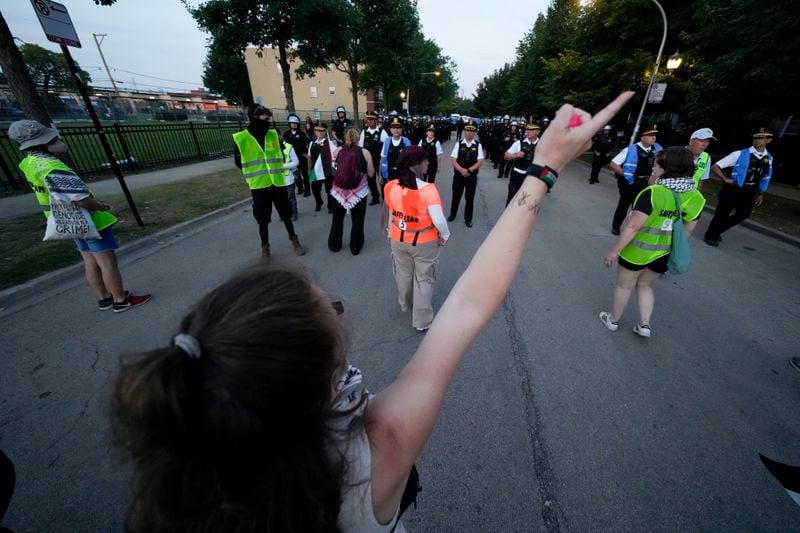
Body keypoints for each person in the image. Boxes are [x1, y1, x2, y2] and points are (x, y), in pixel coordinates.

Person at [110, 92, 633, 533]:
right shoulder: (368, 461)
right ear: (322, 376)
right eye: (333, 312)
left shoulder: (177, 482)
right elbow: (469, 302)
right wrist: (544, 171)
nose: (339, 310)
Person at [8, 120, 151, 312]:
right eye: (52, 138)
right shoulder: (52, 166)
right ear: (43, 143)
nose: (58, 139)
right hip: (88, 221)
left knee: (89, 260)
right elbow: (81, 200)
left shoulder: (28, 163)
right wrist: (102, 207)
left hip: (67, 221)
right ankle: (120, 299)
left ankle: (104, 298)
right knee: (107, 262)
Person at [600, 147, 706, 338]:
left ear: (667, 168)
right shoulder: (696, 197)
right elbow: (688, 230)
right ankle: (644, 325)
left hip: (637, 251)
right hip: (663, 254)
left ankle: (613, 320)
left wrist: (614, 251)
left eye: (657, 164)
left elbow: (633, 227)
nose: (653, 167)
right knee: (645, 285)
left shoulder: (653, 193)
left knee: (625, 286)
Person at [384, 146, 450, 332]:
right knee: (424, 280)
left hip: (398, 239)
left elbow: (391, 212)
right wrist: (444, 235)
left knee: (403, 274)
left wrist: (390, 231)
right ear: (416, 165)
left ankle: (405, 303)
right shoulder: (429, 190)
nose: (428, 163)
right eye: (425, 161)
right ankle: (421, 322)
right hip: (424, 243)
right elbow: (438, 220)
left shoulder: (391, 186)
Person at [233, 104, 305, 257]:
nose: (268, 122)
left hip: (278, 183)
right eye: (265, 119)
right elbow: (239, 163)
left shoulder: (273, 134)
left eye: (269, 119)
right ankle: (265, 248)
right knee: (262, 220)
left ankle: (294, 240)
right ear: (254, 118)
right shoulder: (241, 139)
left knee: (286, 215)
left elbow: (280, 153)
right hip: (259, 186)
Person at [703, 128, 774, 247]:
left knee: (743, 214)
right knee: (722, 213)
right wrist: (725, 179)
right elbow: (716, 166)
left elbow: (765, 176)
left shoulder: (769, 158)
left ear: (768, 140)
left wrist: (761, 193)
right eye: (755, 137)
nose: (756, 140)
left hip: (750, 191)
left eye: (761, 138)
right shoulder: (740, 154)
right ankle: (711, 235)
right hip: (733, 189)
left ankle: (717, 230)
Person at [609, 127, 663, 235]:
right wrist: (626, 174)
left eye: (654, 136)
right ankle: (616, 226)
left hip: (647, 182)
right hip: (631, 182)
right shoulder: (631, 149)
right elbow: (614, 164)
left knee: (640, 208)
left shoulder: (657, 149)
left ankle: (633, 229)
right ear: (642, 137)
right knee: (624, 205)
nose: (653, 138)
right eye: (650, 135)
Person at [329, 128, 375, 255]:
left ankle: (334, 245)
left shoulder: (337, 150)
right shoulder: (365, 152)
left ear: (345, 138)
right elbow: (371, 173)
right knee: (357, 221)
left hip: (338, 191)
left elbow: (333, 171)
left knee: (337, 219)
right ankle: (355, 247)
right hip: (358, 192)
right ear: (358, 138)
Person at [447, 119, 484, 228]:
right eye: (467, 130)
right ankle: (452, 214)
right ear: (464, 131)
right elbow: (453, 159)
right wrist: (461, 170)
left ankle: (468, 219)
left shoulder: (478, 145)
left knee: (470, 198)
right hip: (458, 175)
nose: (469, 133)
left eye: (472, 131)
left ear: (475, 132)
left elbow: (480, 161)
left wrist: (468, 170)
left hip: (471, 177)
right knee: (456, 196)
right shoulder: (459, 144)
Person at [504, 122, 541, 206]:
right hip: (517, 175)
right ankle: (508, 218)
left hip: (532, 178)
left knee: (527, 202)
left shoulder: (542, 145)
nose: (527, 131)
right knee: (512, 198)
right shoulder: (519, 143)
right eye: (527, 129)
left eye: (531, 130)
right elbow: (506, 156)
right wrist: (516, 155)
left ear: (537, 132)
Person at [358, 112, 388, 205]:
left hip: (379, 160)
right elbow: (361, 146)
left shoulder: (382, 132)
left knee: (382, 180)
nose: (369, 122)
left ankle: (385, 199)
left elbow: (386, 147)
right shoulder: (364, 131)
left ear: (376, 121)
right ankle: (375, 197)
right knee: (370, 181)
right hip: (368, 161)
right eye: (368, 120)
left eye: (371, 120)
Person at [308, 121, 337, 214]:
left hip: (327, 170)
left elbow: (335, 156)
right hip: (316, 171)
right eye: (317, 130)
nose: (320, 132)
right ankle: (319, 203)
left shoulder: (330, 143)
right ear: (314, 131)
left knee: (329, 190)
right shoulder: (312, 143)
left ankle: (330, 206)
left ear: (325, 132)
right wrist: (309, 170)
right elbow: (309, 157)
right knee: (315, 189)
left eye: (322, 131)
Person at [283, 113, 311, 196]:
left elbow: (309, 144)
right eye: (292, 123)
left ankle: (307, 191)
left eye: (295, 123)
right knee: (296, 174)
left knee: (305, 175)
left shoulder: (302, 134)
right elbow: (283, 145)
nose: (294, 125)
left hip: (301, 157)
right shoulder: (286, 134)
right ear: (289, 124)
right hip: (292, 159)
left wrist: (307, 154)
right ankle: (300, 188)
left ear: (297, 124)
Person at [380, 116, 412, 186]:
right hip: (390, 174)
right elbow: (383, 159)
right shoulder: (387, 141)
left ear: (401, 129)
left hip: (403, 174)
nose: (396, 130)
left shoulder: (406, 142)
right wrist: (382, 175)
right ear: (390, 129)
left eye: (398, 128)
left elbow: (410, 160)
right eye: (393, 128)